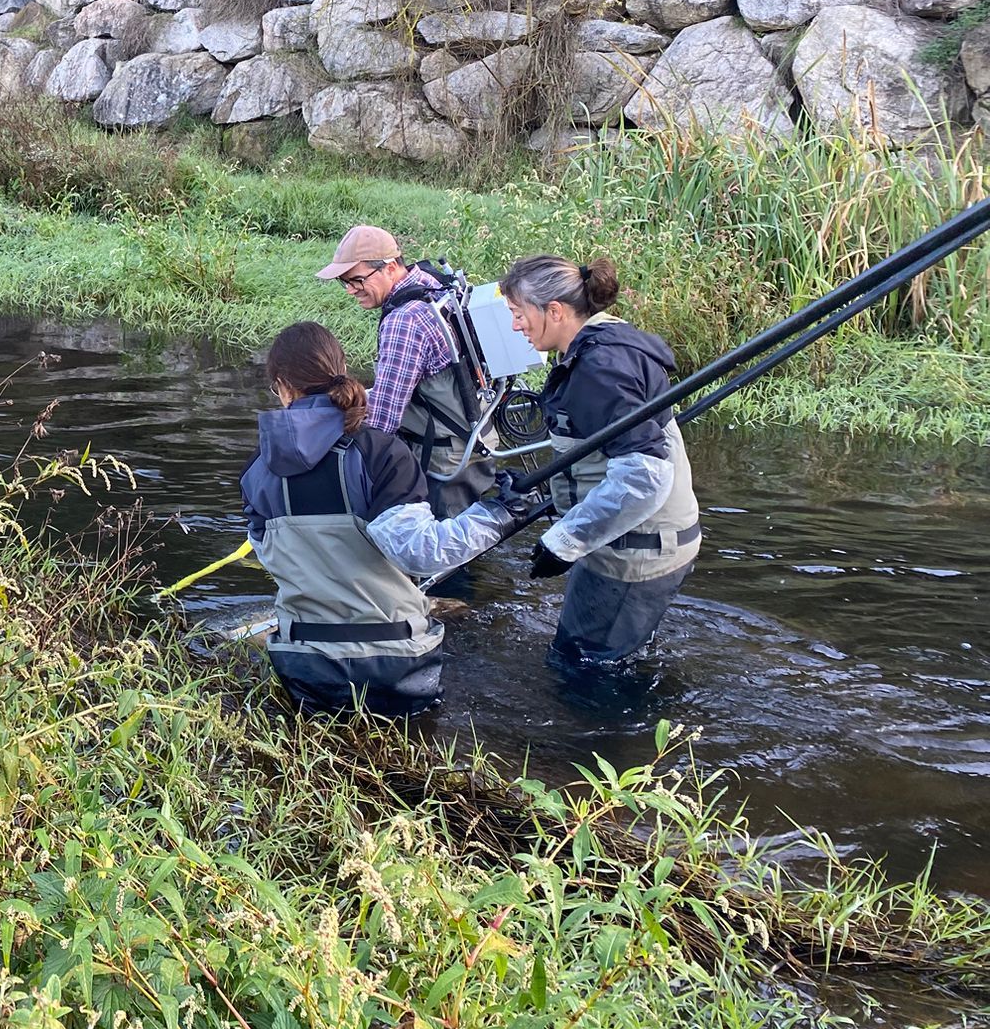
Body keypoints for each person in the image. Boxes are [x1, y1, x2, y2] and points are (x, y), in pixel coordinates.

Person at [240, 321, 524, 715]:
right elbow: (423, 555)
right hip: (395, 661)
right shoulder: (380, 452)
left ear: (283, 387)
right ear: (339, 371)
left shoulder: (256, 472)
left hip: (304, 662)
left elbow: (272, 556)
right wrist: (499, 511)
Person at [500, 255, 700, 666]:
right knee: (614, 655)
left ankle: (608, 730)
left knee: (582, 665)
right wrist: (546, 492)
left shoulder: (599, 367)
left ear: (554, 311)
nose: (515, 326)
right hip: (641, 539)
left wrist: (564, 541)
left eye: (519, 314)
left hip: (638, 551)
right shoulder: (607, 340)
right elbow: (602, 450)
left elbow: (644, 476)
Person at [319, 225, 493, 518]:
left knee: (439, 560)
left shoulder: (404, 322)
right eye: (344, 282)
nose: (350, 290)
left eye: (357, 280)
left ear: (389, 268)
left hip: (441, 463)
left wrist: (326, 437)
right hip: (478, 442)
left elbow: (383, 423)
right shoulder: (435, 284)